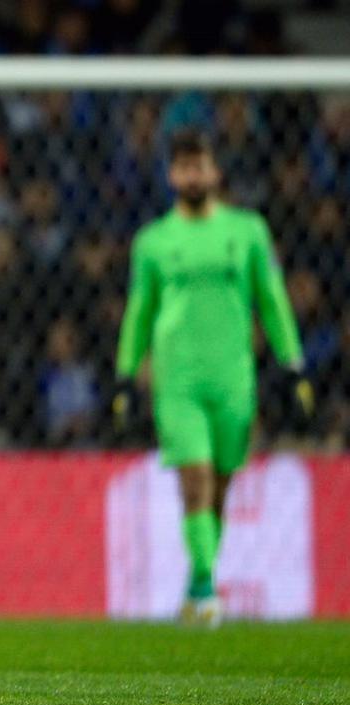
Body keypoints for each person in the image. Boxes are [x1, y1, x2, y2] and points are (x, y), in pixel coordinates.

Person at [113, 129, 314, 628]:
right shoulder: (154, 242)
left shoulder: (248, 232)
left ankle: (197, 583)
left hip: (233, 379)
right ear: (170, 175)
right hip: (177, 381)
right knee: (195, 478)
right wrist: (124, 376)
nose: (192, 174)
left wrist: (292, 365)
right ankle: (206, 591)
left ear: (215, 171)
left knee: (220, 485)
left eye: (199, 165)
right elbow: (139, 313)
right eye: (183, 167)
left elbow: (271, 301)